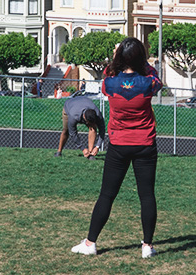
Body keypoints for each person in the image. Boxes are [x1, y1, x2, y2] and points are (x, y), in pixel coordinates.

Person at [72, 37, 162, 258]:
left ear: (120, 57)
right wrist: (140, 60)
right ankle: (147, 246)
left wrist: (116, 57)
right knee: (147, 195)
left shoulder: (110, 82)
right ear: (141, 58)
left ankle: (90, 242)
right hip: (145, 144)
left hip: (119, 145)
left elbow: (108, 72)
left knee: (107, 195)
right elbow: (156, 77)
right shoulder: (149, 82)